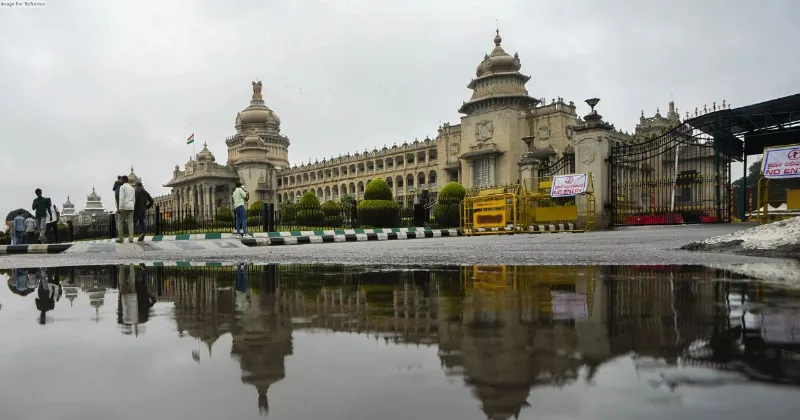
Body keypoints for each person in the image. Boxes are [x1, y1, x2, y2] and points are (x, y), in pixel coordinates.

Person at [116, 175, 136, 243]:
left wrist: (119, 208)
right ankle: (131, 238)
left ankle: (121, 238)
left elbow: (121, 198)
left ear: (123, 180)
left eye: (121, 180)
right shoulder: (132, 188)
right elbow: (134, 199)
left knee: (120, 222)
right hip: (131, 207)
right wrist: (133, 206)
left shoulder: (122, 187)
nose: (120, 181)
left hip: (124, 207)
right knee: (131, 223)